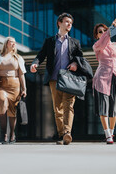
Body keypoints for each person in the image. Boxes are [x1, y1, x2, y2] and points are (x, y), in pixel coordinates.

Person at [30, 12, 83, 145]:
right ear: (59, 23)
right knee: (57, 108)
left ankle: (67, 132)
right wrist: (35, 63)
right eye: (66, 22)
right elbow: (41, 55)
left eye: (71, 23)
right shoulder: (50, 41)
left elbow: (80, 58)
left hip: (70, 79)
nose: (69, 25)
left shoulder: (75, 42)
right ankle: (61, 135)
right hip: (54, 78)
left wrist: (76, 64)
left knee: (69, 106)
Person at [92, 17, 116, 144]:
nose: (103, 33)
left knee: (114, 108)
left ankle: (111, 133)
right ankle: (107, 134)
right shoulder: (97, 46)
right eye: (100, 32)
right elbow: (103, 42)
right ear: (97, 36)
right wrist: (111, 29)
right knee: (104, 107)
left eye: (104, 31)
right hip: (102, 78)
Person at [0, 37, 27, 144]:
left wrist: (24, 89)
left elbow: (21, 74)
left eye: (15, 42)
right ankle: (4, 134)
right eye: (11, 42)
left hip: (15, 85)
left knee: (12, 111)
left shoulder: (18, 58)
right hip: (1, 85)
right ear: (6, 43)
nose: (14, 44)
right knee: (3, 107)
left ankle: (12, 134)